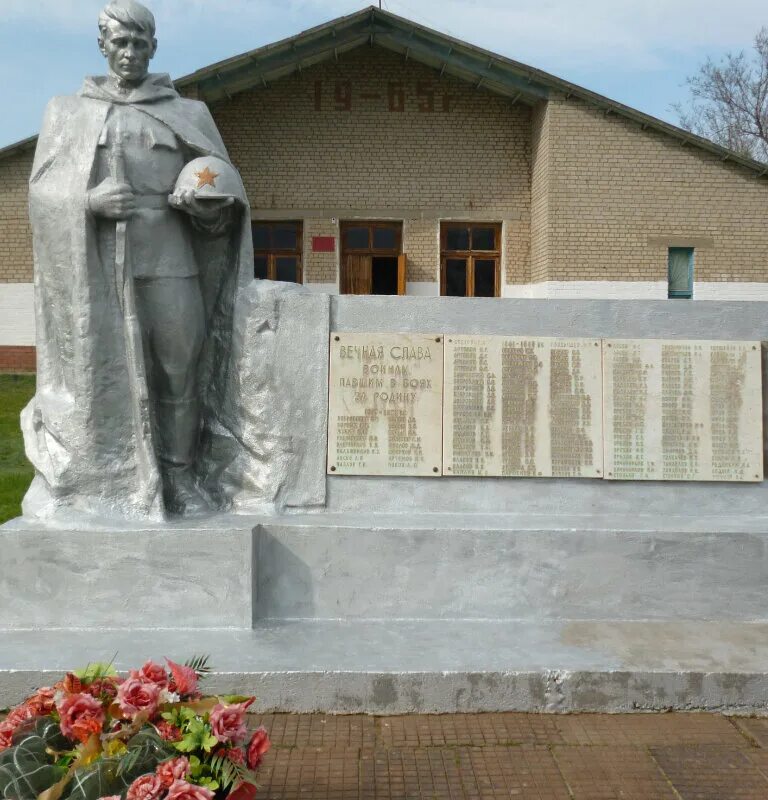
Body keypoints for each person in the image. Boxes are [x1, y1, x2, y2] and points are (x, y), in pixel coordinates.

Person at [23, 0, 253, 518]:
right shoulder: (68, 112)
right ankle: (105, 477)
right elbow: (41, 195)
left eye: (139, 43)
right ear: (102, 46)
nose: (129, 53)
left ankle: (179, 476)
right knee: (103, 372)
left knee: (179, 368)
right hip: (102, 270)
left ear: (154, 48)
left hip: (172, 260)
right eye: (120, 43)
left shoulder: (188, 113)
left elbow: (222, 200)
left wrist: (208, 209)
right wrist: (87, 202)